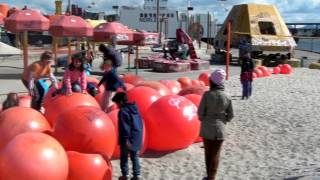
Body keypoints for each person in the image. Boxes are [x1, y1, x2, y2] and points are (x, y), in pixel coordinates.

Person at [198, 69, 234, 180]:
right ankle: (211, 177)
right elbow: (231, 115)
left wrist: (205, 119)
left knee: (208, 153)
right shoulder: (227, 96)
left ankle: (209, 177)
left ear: (211, 81)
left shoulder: (207, 95)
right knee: (215, 154)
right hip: (221, 129)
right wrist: (223, 121)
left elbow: (200, 113)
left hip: (207, 128)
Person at [112, 92, 143, 180]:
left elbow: (124, 126)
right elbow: (139, 123)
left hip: (127, 138)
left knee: (124, 157)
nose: (117, 105)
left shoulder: (123, 111)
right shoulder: (135, 108)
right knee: (134, 156)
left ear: (121, 102)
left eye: (117, 103)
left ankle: (125, 175)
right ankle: (137, 175)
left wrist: (126, 139)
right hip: (137, 135)